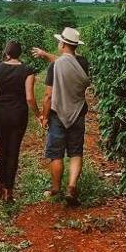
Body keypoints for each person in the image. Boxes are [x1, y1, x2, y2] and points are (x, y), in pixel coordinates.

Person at [32, 27, 90, 205]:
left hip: (58, 113)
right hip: (78, 111)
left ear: (63, 44)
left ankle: (56, 188)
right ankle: (72, 187)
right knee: (75, 151)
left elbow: (48, 95)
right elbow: (68, 64)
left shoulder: (55, 66)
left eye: (60, 41)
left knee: (55, 153)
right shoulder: (83, 63)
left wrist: (44, 116)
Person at [0, 40, 41, 202]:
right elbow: (29, 97)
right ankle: (9, 191)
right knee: (14, 151)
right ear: (20, 53)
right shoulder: (27, 70)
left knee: (3, 149)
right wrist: (38, 114)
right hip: (18, 113)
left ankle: (2, 186)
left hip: (1, 113)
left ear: (6, 53)